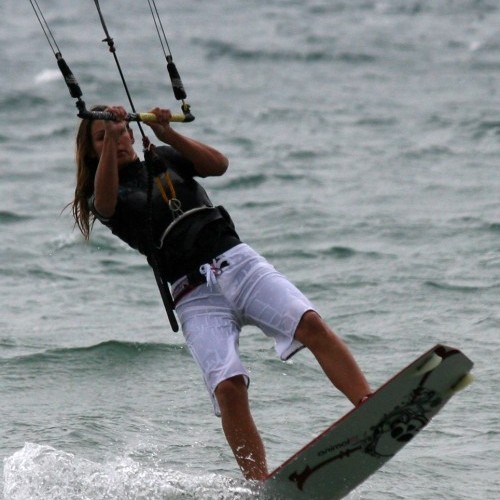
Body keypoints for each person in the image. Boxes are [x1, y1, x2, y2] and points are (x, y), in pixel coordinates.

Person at [72, 104, 372, 481]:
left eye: (118, 132)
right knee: (227, 388)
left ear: (132, 132)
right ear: (92, 151)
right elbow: (106, 203)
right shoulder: (100, 195)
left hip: (237, 263)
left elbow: (219, 165)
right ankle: (260, 483)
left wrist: (169, 134)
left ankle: (367, 405)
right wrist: (110, 132)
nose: (115, 140)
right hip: (192, 295)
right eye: (103, 138)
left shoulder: (163, 157)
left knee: (309, 323)